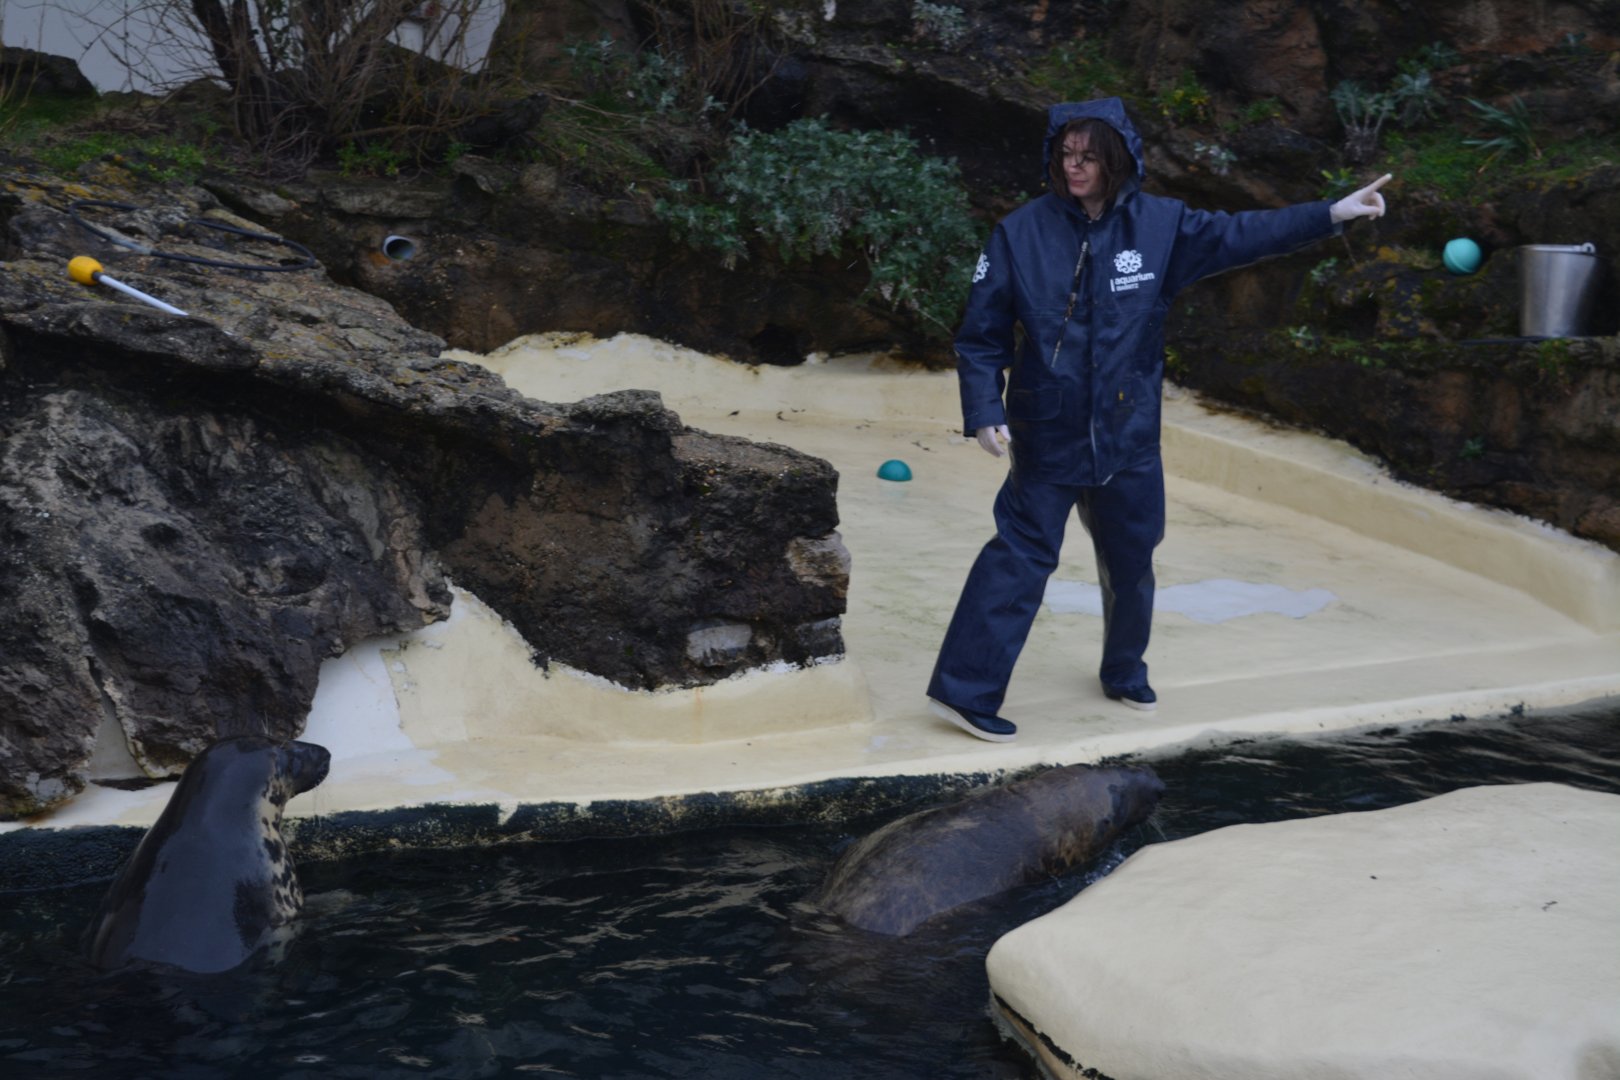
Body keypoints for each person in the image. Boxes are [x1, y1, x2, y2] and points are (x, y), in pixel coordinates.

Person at [927, 97, 1392, 743]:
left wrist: (1332, 213)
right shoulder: (1020, 233)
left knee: (1132, 558)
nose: (1076, 166)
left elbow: (1242, 235)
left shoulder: (1163, 227)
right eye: (1066, 154)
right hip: (1047, 428)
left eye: (1089, 156)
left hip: (1128, 432)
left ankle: (1123, 670)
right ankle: (965, 693)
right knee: (1019, 556)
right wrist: (983, 410)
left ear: (1116, 157)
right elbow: (979, 336)